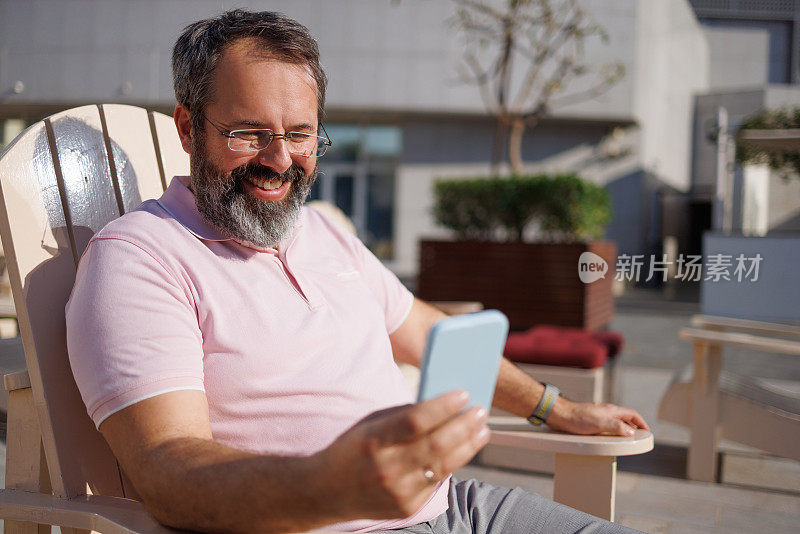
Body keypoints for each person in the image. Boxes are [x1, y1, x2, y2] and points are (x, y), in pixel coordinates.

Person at [65, 9, 648, 534]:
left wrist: (558, 409)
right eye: (250, 133)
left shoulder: (322, 233)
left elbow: (428, 332)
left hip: (458, 508)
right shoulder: (142, 257)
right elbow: (167, 467)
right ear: (189, 129)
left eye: (300, 134)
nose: (279, 159)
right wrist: (329, 487)